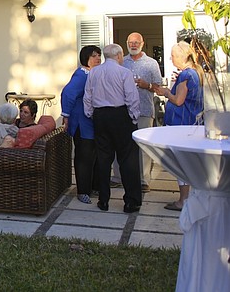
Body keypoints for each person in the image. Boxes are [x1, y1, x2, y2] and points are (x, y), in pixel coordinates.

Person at [83, 43, 141, 213]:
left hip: (100, 116)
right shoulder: (124, 72)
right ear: (119, 55)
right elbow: (132, 97)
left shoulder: (94, 72)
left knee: (103, 158)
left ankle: (103, 200)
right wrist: (134, 116)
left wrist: (90, 114)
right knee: (128, 159)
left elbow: (88, 96)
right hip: (120, 115)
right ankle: (131, 201)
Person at [151, 40, 204, 211]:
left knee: (181, 163)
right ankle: (191, 198)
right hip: (192, 123)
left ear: (181, 57)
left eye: (173, 55)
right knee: (191, 162)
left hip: (182, 125)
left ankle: (183, 200)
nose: (170, 58)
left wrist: (166, 92)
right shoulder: (196, 72)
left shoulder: (186, 75)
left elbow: (179, 101)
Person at [121, 31, 162, 193]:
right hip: (124, 110)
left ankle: (144, 180)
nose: (133, 45)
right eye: (130, 42)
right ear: (127, 44)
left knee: (143, 147)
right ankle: (120, 178)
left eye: (136, 42)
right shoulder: (121, 62)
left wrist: (147, 85)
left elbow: (158, 88)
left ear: (142, 44)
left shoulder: (151, 63)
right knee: (123, 145)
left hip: (144, 109)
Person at [61, 44, 102, 204]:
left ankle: (94, 187)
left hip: (92, 123)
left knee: (95, 156)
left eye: (99, 55)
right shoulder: (81, 75)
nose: (98, 58)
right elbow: (68, 93)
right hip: (82, 124)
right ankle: (83, 191)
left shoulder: (94, 74)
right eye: (94, 56)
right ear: (86, 58)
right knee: (84, 157)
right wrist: (66, 116)